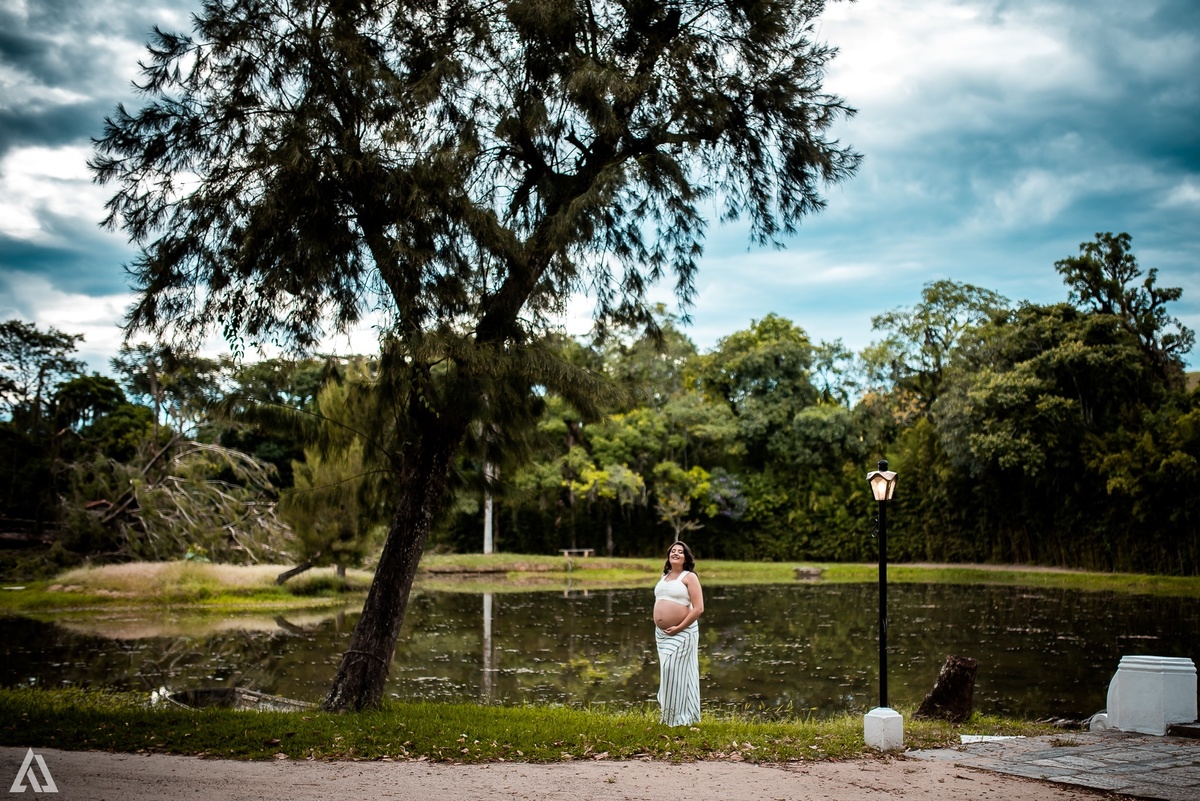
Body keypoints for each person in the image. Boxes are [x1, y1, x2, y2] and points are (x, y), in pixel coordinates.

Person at [653, 540, 704, 726]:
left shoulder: (689, 577)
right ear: (668, 555)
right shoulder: (664, 576)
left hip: (683, 632)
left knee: (675, 671)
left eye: (680, 552)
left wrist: (679, 628)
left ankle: (679, 718)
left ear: (685, 557)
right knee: (668, 674)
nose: (675, 553)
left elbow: (698, 609)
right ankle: (668, 716)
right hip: (663, 635)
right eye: (673, 551)